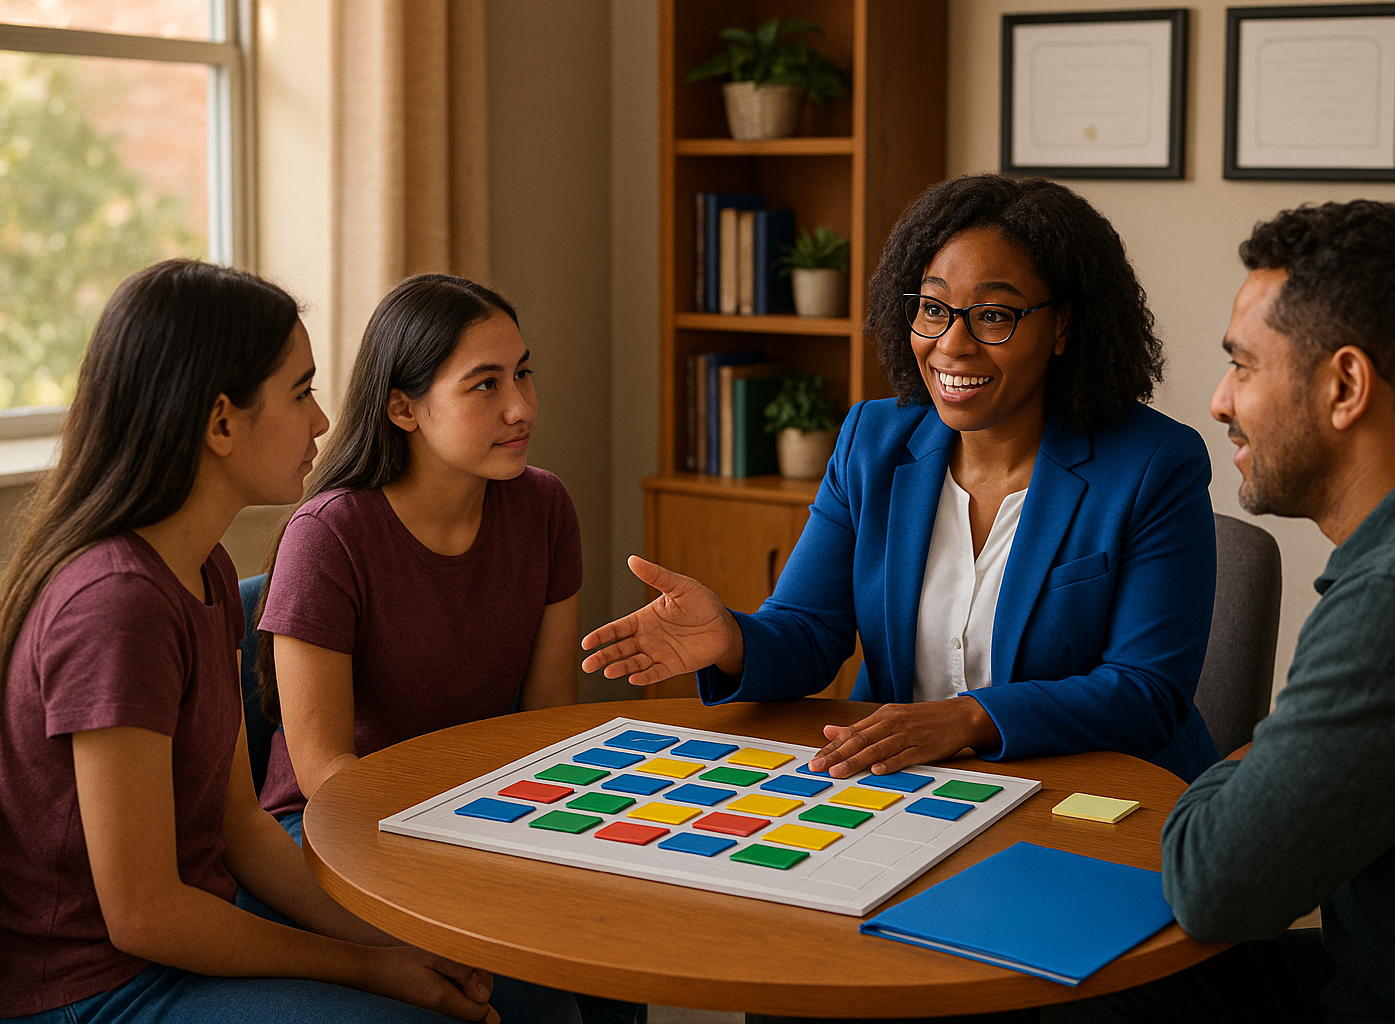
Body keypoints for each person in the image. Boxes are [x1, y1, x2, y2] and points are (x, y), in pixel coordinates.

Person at [1049, 201, 1395, 1023]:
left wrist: (1250, 757)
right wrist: (1272, 758)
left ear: (1345, 386)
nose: (1218, 401)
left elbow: (1213, 883)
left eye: (1243, 365)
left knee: (1085, 980)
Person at [583, 175, 1221, 784]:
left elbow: (1147, 691)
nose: (953, 344)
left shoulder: (1155, 464)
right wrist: (730, 638)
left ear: (1063, 326)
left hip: (1096, 795)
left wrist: (970, 717)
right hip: (908, 784)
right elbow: (808, 629)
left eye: (993, 315)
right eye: (934, 308)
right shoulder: (875, 441)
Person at [0, 260, 501, 1023]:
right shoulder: (115, 607)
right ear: (221, 421)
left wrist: (400, 942)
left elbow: (239, 825)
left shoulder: (203, 566)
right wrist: (366, 969)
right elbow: (143, 913)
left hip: (184, 936)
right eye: (301, 392)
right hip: (95, 986)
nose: (324, 421)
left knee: (487, 981)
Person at [252, 274, 632, 1024]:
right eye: (484, 385)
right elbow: (326, 770)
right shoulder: (329, 536)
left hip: (482, 812)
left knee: (616, 949)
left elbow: (548, 716)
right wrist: (464, 847)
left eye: (523, 373)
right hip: (335, 826)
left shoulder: (546, 507)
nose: (521, 406)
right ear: (403, 408)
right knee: (524, 991)